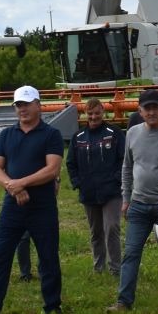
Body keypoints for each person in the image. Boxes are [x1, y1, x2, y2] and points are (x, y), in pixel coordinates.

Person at [0, 86, 67, 314]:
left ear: (38, 105)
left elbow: (52, 169)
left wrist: (21, 183)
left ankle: (52, 307)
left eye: (26, 104)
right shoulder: (6, 135)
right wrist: (13, 187)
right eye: (18, 105)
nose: (22, 109)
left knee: (48, 257)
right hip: (13, 205)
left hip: (42, 205)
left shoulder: (51, 134)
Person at [115, 89, 158, 310]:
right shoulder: (132, 133)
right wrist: (126, 199)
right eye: (147, 108)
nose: (152, 112)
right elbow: (127, 166)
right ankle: (124, 302)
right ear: (140, 111)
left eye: (156, 107)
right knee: (131, 253)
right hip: (138, 205)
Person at [69, 96, 125, 274]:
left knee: (112, 229)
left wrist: (116, 179)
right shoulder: (78, 137)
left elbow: (124, 160)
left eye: (97, 113)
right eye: (90, 114)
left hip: (111, 192)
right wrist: (78, 182)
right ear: (85, 114)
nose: (94, 117)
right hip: (89, 192)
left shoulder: (114, 133)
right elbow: (71, 163)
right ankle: (98, 267)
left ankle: (115, 268)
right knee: (96, 232)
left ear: (103, 112)